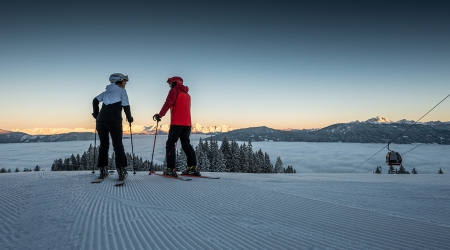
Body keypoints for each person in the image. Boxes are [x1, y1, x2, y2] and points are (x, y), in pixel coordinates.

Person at [153, 76, 200, 177]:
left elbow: (168, 103)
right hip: (187, 124)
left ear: (175, 83)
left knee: (170, 144)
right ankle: (193, 167)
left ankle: (170, 169)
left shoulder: (174, 91)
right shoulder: (187, 95)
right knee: (186, 145)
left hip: (176, 123)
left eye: (170, 83)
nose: (169, 85)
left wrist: (159, 115)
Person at [92, 73, 133, 181]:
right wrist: (129, 118)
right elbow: (126, 106)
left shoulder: (106, 92)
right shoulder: (122, 91)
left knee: (103, 145)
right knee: (118, 145)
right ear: (119, 81)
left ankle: (103, 171)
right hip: (114, 121)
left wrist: (96, 114)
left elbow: (95, 101)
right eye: (124, 81)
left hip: (101, 121)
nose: (125, 83)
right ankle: (121, 172)